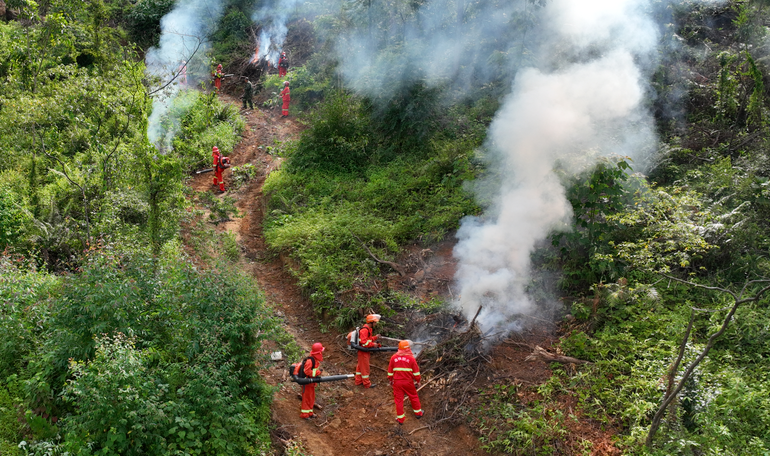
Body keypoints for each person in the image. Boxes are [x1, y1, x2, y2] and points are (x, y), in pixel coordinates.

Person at [387, 340, 423, 425]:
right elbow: (416, 373)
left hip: (397, 383)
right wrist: (418, 381)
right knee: (413, 397)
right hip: (408, 382)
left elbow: (390, 372)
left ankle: (400, 419)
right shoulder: (411, 358)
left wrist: (390, 380)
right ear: (408, 348)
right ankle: (418, 414)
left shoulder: (393, 358)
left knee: (398, 400)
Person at [296, 342, 324, 419]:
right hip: (307, 383)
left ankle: (310, 413)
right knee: (306, 398)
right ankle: (304, 415)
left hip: (311, 383)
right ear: (318, 352)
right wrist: (318, 372)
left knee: (311, 398)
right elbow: (307, 372)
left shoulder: (315, 360)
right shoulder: (310, 361)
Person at [355, 314, 381, 389]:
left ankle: (358, 381)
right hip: (363, 352)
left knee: (360, 367)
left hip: (365, 352)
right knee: (365, 368)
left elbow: (368, 340)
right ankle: (367, 384)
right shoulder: (364, 330)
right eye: (375, 322)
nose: (376, 324)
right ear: (371, 322)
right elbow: (364, 343)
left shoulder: (368, 329)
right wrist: (373, 345)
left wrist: (376, 337)